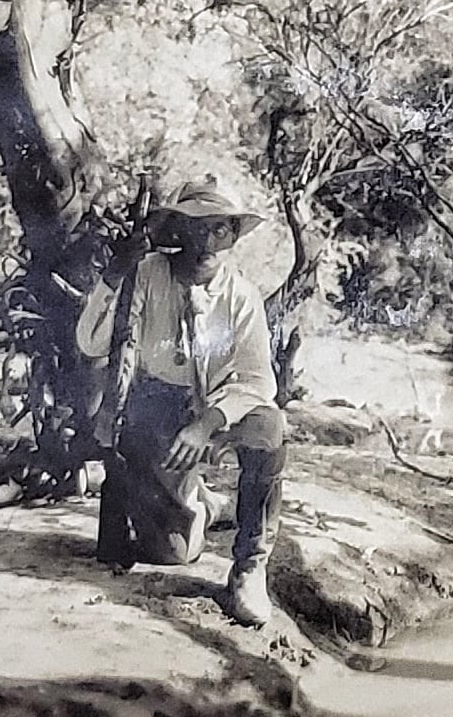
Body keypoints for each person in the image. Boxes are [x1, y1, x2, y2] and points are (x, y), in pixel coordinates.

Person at [76, 179, 285, 627]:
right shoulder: (146, 273)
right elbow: (91, 343)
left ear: (232, 236)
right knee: (169, 553)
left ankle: (250, 564)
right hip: (159, 406)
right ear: (177, 231)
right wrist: (115, 274)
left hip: (220, 407)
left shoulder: (241, 297)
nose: (207, 242)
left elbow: (258, 381)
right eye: (197, 228)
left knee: (269, 431)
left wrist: (208, 423)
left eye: (220, 230)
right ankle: (202, 504)